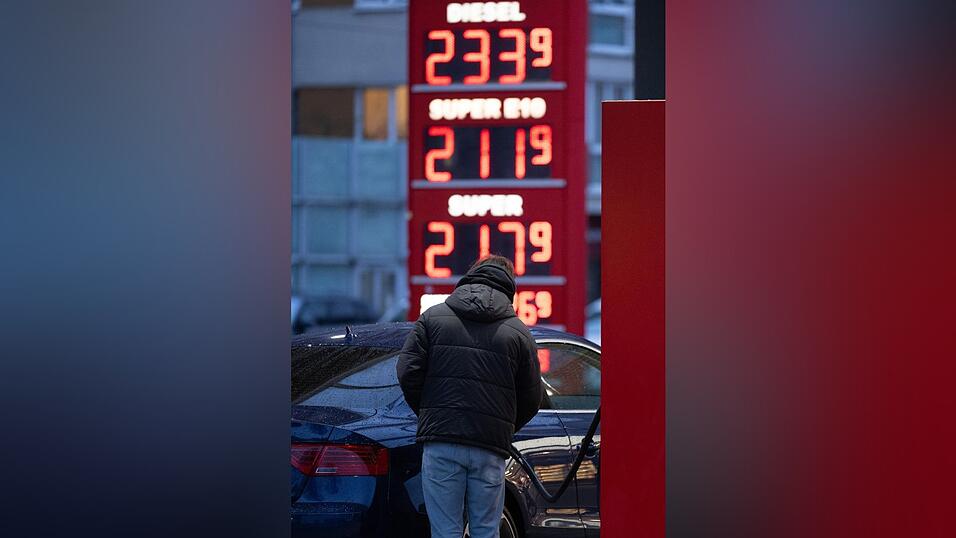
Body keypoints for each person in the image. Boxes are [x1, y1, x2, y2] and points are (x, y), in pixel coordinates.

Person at [397, 255, 542, 538]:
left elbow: (407, 372)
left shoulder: (432, 318)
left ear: (470, 276)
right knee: (486, 531)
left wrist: (432, 413)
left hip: (442, 442)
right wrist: (502, 426)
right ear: (509, 286)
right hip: (489, 447)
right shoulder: (518, 333)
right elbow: (531, 398)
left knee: (444, 531)